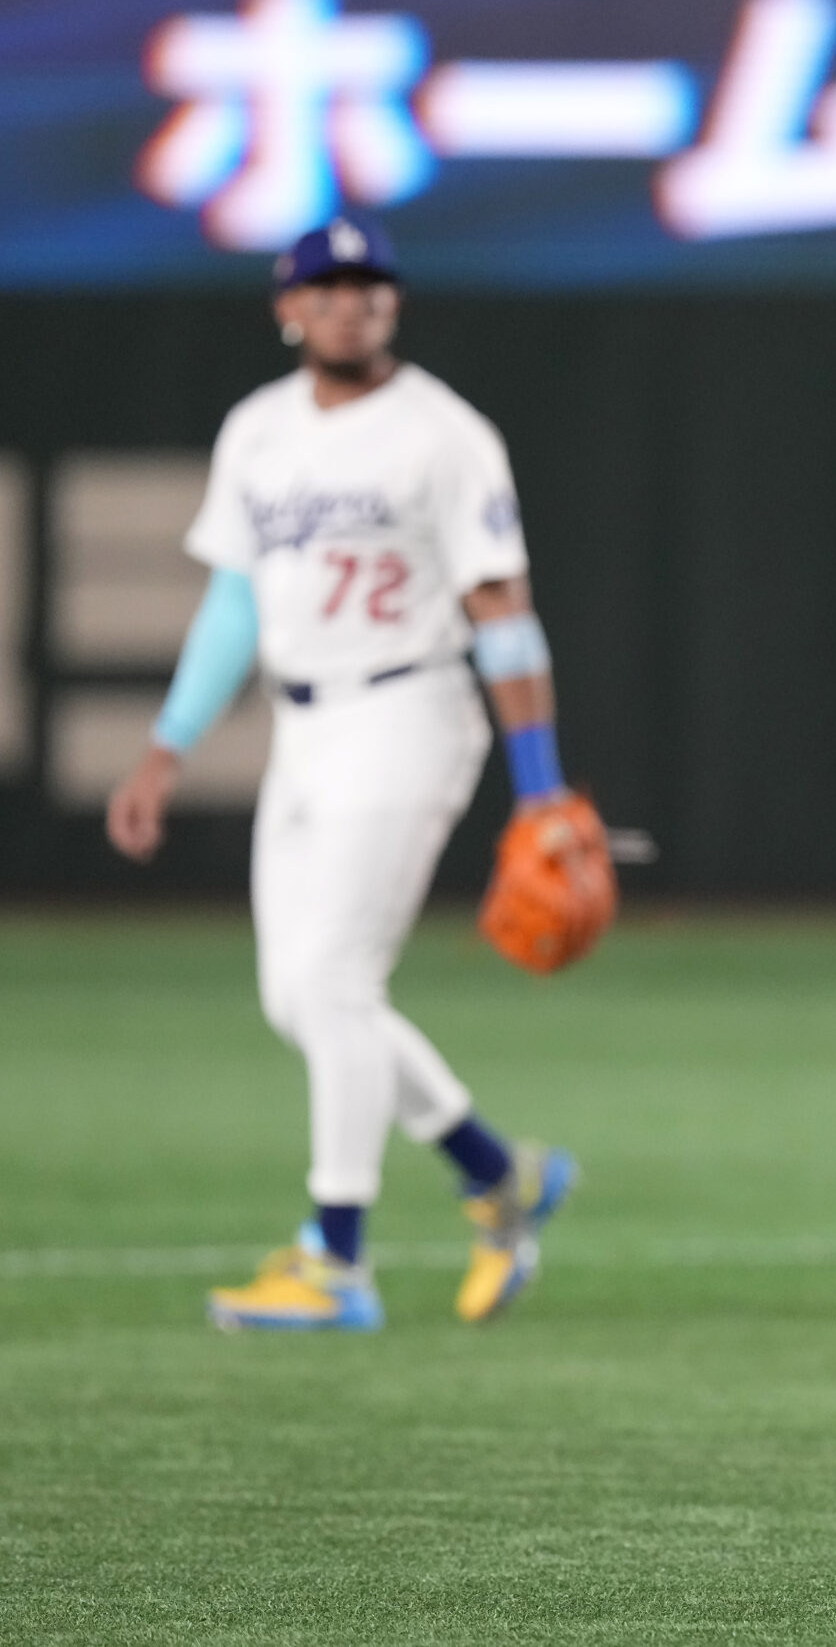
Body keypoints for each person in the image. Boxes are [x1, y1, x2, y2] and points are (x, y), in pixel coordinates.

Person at [105, 215, 579, 1333]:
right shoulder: (258, 432)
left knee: (332, 983)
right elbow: (236, 602)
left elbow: (502, 613)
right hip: (304, 722)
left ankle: (336, 1258)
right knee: (301, 997)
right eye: (326, 288)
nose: (348, 303)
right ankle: (494, 1172)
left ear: (391, 306)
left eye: (368, 287)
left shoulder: (443, 433)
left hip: (411, 705)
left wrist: (543, 783)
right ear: (289, 308)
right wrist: (169, 742)